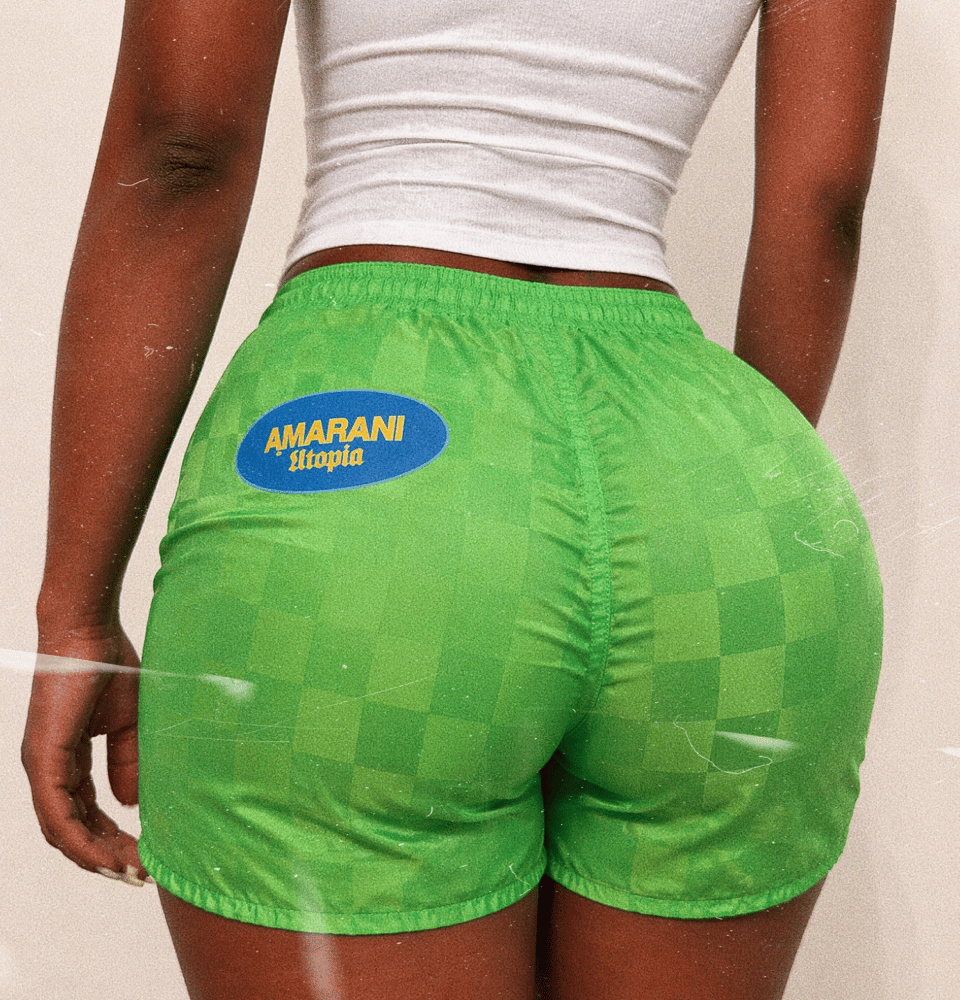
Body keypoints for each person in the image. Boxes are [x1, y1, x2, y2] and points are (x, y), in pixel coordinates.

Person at [21, 0, 895, 996]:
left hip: (370, 466)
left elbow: (183, 144)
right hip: (716, 495)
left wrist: (75, 612)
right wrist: (725, 500)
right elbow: (825, 200)